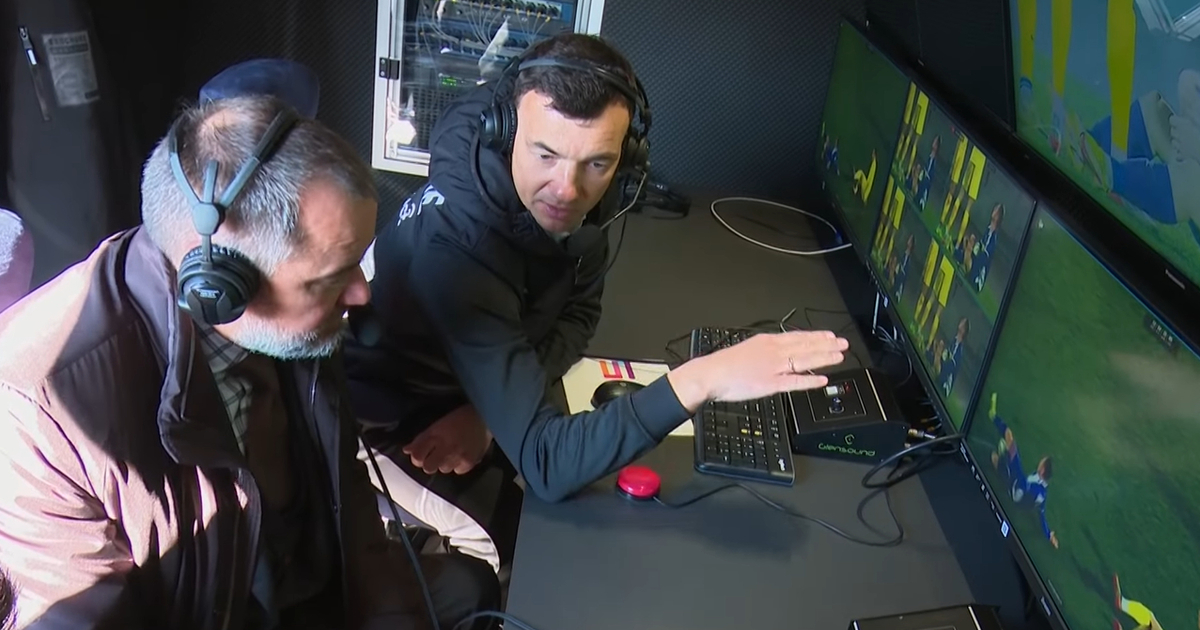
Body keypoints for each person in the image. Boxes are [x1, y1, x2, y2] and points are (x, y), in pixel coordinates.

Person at [343, 33, 850, 570]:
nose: (567, 189)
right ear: (505, 130)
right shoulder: (457, 254)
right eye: (545, 154)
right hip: (379, 420)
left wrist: (490, 412)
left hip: (472, 381)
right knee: (508, 549)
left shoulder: (582, 191)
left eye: (598, 163)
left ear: (625, 155)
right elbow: (548, 464)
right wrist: (703, 379)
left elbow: (580, 314)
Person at [0, 95, 497, 629]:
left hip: (310, 589)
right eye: (332, 277)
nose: (360, 293)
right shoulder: (39, 413)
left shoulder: (300, 324)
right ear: (221, 287)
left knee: (472, 588)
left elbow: (346, 482)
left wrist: (385, 616)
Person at [988, 392, 1058, 549]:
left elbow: (1021, 483)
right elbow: (1041, 515)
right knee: (1002, 453)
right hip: (1016, 491)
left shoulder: (1031, 485)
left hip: (1013, 483)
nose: (1040, 460)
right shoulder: (1043, 493)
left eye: (1042, 461)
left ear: (1042, 470)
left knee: (1006, 440)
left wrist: (1012, 457)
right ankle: (1002, 456)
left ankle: (993, 415)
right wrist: (1049, 535)